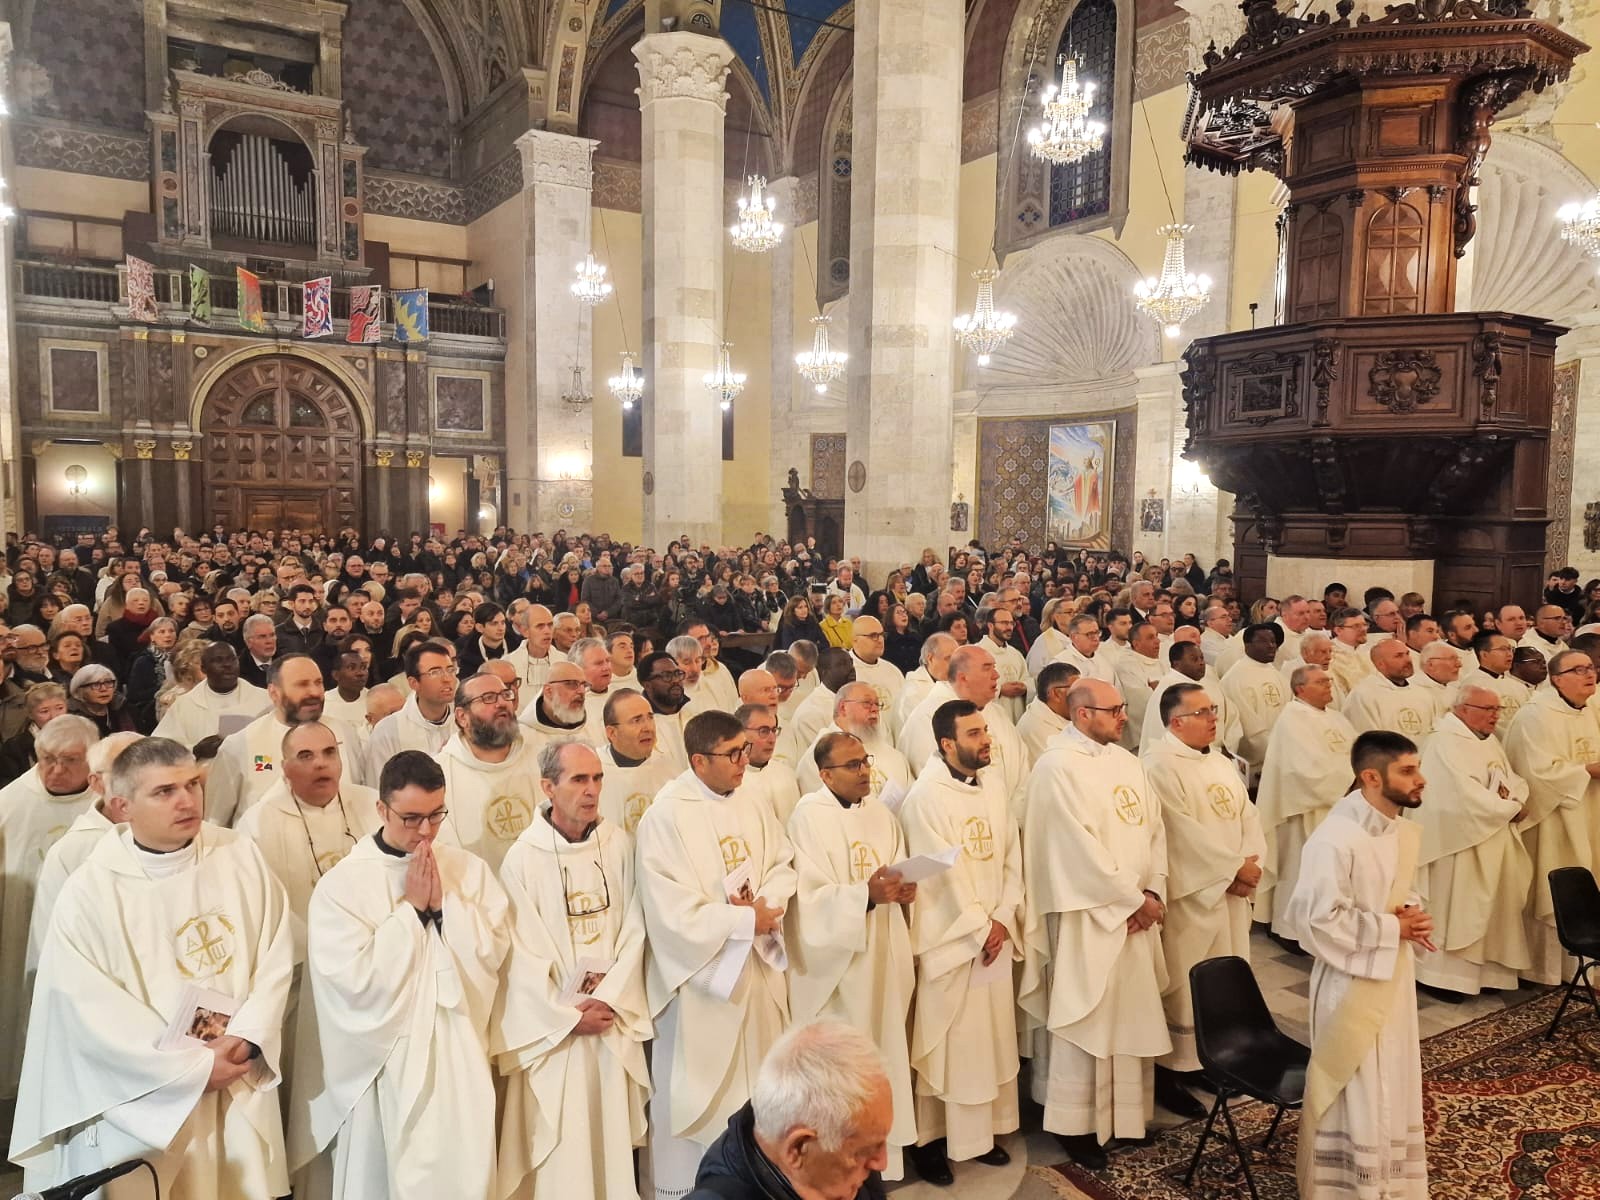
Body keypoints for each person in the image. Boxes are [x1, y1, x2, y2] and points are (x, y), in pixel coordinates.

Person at [13, 737, 294, 1198]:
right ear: (122, 806)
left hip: (234, 1073)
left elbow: (276, 955)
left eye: (192, 784)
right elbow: (85, 1013)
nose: (187, 800)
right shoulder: (91, 891)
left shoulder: (240, 855)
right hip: (143, 1099)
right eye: (165, 791)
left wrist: (248, 1037)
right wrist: (189, 1071)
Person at [293, 750, 509, 1200]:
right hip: (382, 1065)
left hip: (458, 1056)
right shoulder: (341, 887)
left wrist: (444, 907)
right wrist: (411, 912)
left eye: (436, 815)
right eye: (411, 818)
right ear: (381, 809)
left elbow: (492, 952)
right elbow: (351, 984)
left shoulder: (467, 869)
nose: (426, 831)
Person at [1018, 679, 1188, 1173]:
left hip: (1135, 915)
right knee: (1086, 1015)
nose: (1124, 717)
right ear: (1082, 714)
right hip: (1088, 917)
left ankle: (1126, 1118)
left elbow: (1154, 830)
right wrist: (1131, 900)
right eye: (1114, 710)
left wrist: (1153, 891)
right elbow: (1073, 849)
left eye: (1123, 708)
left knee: (1130, 1014)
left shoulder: (1127, 762)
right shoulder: (1056, 767)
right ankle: (1075, 1125)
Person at [634, 710, 797, 1199]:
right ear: (699, 761)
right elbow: (668, 910)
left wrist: (766, 907)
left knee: (759, 1095)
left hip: (755, 973)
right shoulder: (666, 816)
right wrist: (744, 922)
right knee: (702, 1100)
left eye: (745, 749)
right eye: (733, 753)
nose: (745, 760)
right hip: (702, 987)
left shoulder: (752, 800)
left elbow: (783, 862)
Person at [494, 740, 651, 1200]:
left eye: (597, 778)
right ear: (548, 787)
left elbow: (637, 928)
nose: (592, 790)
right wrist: (565, 1017)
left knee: (609, 1149)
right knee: (565, 1153)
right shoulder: (523, 859)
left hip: (611, 1020)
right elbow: (518, 956)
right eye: (579, 779)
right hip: (556, 1034)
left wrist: (611, 996)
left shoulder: (618, 844)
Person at [1284, 731, 1431, 1200]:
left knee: (1394, 1075)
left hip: (1392, 975)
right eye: (1407, 770)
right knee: (1359, 1084)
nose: (1420, 779)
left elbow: (1396, 891)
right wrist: (1393, 928)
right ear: (1371, 777)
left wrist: (1410, 913)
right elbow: (1317, 920)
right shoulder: (1335, 838)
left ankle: (1389, 1180)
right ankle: (1347, 1187)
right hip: (1350, 983)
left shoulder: (1394, 829)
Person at [898, 700, 1023, 1184]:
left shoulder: (993, 785)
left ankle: (980, 1136)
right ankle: (931, 1142)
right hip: (952, 941)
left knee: (988, 1040)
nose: (986, 739)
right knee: (947, 1043)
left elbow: (1011, 855)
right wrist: (979, 926)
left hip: (993, 934)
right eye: (974, 733)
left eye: (985, 730)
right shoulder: (925, 798)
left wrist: (1004, 916)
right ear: (947, 744)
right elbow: (939, 876)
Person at [785, 732, 917, 1180]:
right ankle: (837, 1167)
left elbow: (897, 867)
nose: (864, 771)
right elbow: (808, 899)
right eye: (853, 765)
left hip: (882, 956)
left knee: (883, 1062)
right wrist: (865, 896)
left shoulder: (880, 813)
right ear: (825, 775)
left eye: (865, 761)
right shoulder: (808, 818)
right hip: (840, 971)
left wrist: (903, 891)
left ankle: (881, 1162)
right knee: (843, 1076)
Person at [1141, 683, 1264, 1093]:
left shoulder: (1218, 761)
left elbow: (1248, 814)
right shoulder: (1159, 765)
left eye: (1213, 709)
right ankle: (1173, 1070)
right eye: (1202, 712)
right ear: (1176, 722)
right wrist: (1233, 869)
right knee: (1185, 979)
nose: (1214, 718)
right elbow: (1177, 831)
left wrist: (1251, 865)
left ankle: (1213, 1058)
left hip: (1229, 890)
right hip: (1193, 895)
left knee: (1226, 976)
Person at [0, 713, 99, 1103]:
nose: (56, 770)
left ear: (92, 759)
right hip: (20, 932)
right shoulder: (10, 804)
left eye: (70, 760)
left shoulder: (105, 806)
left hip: (85, 938)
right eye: (47, 760)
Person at [1414, 685, 1533, 998]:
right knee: (1459, 907)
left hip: (1491, 834)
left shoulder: (1487, 740)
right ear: (1462, 709)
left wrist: (1516, 800)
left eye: (1497, 709)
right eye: (1488, 709)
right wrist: (1510, 809)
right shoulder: (1443, 742)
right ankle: (1443, 978)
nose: (1495, 716)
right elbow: (1460, 795)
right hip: (1458, 842)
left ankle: (1488, 976)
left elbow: (1511, 780)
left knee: (1492, 908)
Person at [688, 1020, 892, 1200]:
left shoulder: (847, 1154)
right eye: (862, 1151)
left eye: (881, 1142)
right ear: (798, 1148)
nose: (882, 1163)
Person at [234, 720, 381, 944]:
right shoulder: (257, 825)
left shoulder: (373, 804)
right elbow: (259, 909)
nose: (320, 763)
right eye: (305, 756)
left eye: (329, 752)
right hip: (303, 951)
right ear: (285, 768)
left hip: (375, 941)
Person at [1503, 647, 1600, 985]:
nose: (1590, 674)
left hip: (1589, 810)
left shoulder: (1587, 710)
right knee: (1555, 887)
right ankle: (1544, 971)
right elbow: (1535, 771)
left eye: (1591, 667)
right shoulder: (1536, 715)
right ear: (1557, 679)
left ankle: (1585, 967)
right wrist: (1587, 770)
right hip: (1553, 818)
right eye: (1579, 670)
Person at [1256, 665, 1360, 942]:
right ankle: (1291, 930)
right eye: (1321, 682)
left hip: (1342, 806)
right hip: (1306, 810)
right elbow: (1304, 769)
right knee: (1301, 869)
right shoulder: (1292, 719)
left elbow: (1357, 751)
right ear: (1300, 689)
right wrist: (1352, 779)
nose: (1329, 685)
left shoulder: (1336, 718)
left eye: (1329, 681)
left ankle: (1328, 926)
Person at [206, 654, 364, 826]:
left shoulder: (345, 733)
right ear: (274, 692)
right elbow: (215, 823)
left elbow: (360, 800)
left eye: (318, 682)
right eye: (302, 684)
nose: (314, 692)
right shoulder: (239, 745)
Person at [434, 670, 542, 872]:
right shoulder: (438, 774)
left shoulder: (540, 759)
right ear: (462, 717)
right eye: (488, 698)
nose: (502, 703)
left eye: (505, 695)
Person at [793, 684, 912, 811]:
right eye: (867, 703)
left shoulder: (894, 756)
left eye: (877, 704)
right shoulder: (820, 757)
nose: (874, 709)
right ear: (843, 708)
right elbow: (822, 808)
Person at [366, 639, 459, 778]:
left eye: (450, 670)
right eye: (435, 672)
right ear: (414, 683)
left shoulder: (465, 722)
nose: (447, 679)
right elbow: (378, 784)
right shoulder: (388, 731)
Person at [153, 641, 270, 747]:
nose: (227, 665)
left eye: (232, 659)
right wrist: (195, 750)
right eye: (218, 660)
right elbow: (163, 748)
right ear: (204, 668)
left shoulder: (264, 700)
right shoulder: (183, 705)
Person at [598, 687, 679, 833]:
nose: (648, 727)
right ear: (612, 733)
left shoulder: (668, 768)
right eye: (636, 720)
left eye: (650, 717)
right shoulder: (594, 772)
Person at [1220, 622, 1288, 780]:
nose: (1271, 646)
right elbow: (1248, 724)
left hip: (1284, 753)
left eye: (1273, 641)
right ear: (1247, 646)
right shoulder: (1235, 678)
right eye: (1263, 641)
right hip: (1259, 762)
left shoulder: (1277, 674)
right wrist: (1275, 751)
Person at [1344, 638, 1435, 745]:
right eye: (1399, 656)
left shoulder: (1422, 693)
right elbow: (1369, 741)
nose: (1407, 660)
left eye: (1407, 654)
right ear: (1381, 664)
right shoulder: (1364, 695)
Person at [738, 702, 804, 827]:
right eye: (763, 731)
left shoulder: (786, 774)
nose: (772, 739)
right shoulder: (733, 781)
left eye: (774, 730)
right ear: (741, 733)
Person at [848, 615, 906, 737]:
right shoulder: (846, 671)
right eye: (873, 636)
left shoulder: (892, 671)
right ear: (855, 640)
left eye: (881, 635)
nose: (880, 640)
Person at [977, 605, 1031, 727]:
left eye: (1011, 623)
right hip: (992, 720)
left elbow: (1028, 679)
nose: (1009, 627)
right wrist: (1000, 690)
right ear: (990, 625)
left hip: (1018, 715)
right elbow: (974, 686)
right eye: (1004, 623)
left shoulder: (1015, 653)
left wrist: (1025, 687)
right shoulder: (978, 652)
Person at [1460, 630, 1531, 721]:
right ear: (1484, 655)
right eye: (1503, 649)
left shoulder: (1519, 686)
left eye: (1510, 649)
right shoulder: (1472, 685)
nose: (1509, 654)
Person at [1016, 661, 1076, 761]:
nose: (1082, 696)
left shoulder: (1065, 714)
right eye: (1076, 690)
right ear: (1056, 694)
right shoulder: (1034, 728)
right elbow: (1061, 766)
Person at [1050, 613, 1115, 685]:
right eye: (1090, 634)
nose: (1096, 638)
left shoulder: (1104, 660)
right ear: (1073, 637)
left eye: (1097, 633)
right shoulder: (1061, 663)